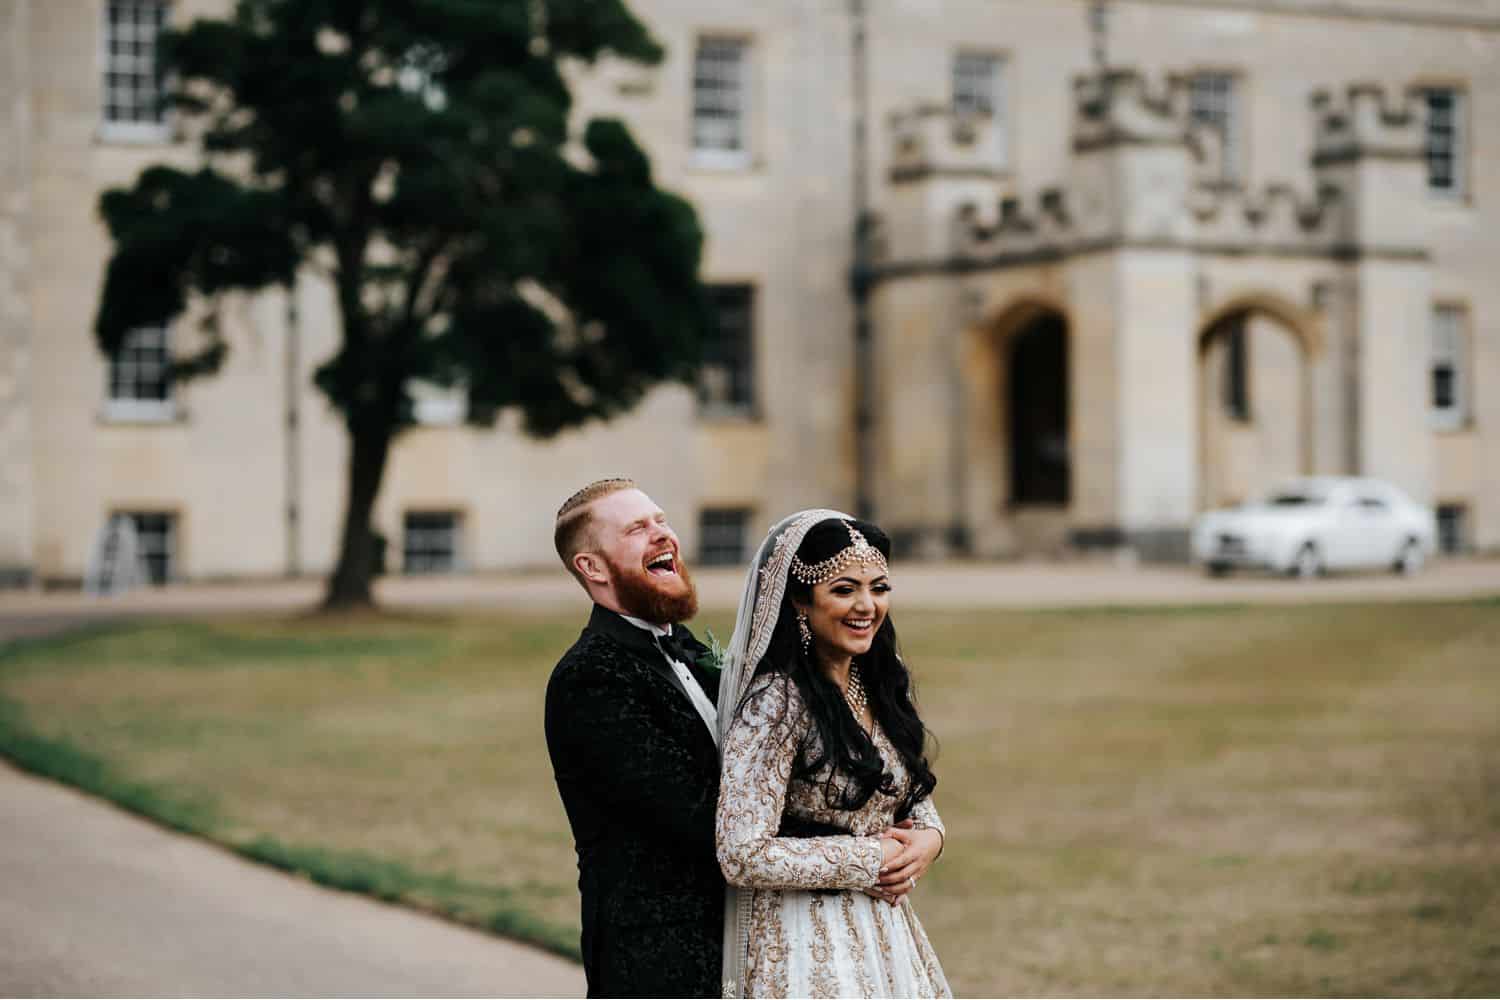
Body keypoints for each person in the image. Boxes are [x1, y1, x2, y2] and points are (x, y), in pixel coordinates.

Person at [715, 510, 950, 998]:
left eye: (879, 587)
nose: (866, 605)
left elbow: (900, 784)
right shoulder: (777, 702)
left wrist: (931, 836)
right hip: (803, 941)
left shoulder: (877, 679)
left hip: (886, 938)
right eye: (844, 590)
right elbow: (741, 853)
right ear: (801, 600)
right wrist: (872, 858)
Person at [545, 478, 723, 998]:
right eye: (637, 529)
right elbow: (696, 815)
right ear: (593, 567)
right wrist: (855, 850)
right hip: (658, 962)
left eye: (662, 520)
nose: (662, 535)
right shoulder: (591, 677)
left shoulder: (689, 650)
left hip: (736, 944)